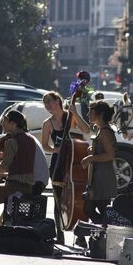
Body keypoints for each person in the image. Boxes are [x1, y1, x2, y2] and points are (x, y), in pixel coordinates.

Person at [42, 91, 90, 244]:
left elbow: (86, 130)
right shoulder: (47, 123)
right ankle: (59, 233)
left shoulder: (70, 116)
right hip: (57, 163)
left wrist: (75, 112)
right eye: (45, 103)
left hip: (72, 161)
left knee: (77, 198)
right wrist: (56, 149)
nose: (48, 105)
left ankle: (80, 235)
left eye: (50, 101)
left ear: (58, 101)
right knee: (58, 199)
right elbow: (45, 146)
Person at [81, 101, 117, 225]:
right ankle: (103, 233)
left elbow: (110, 155)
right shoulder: (100, 130)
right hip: (98, 176)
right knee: (97, 209)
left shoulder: (105, 131)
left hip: (103, 177)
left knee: (91, 209)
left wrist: (90, 158)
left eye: (91, 111)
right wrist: (93, 150)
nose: (88, 114)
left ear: (100, 114)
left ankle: (104, 233)